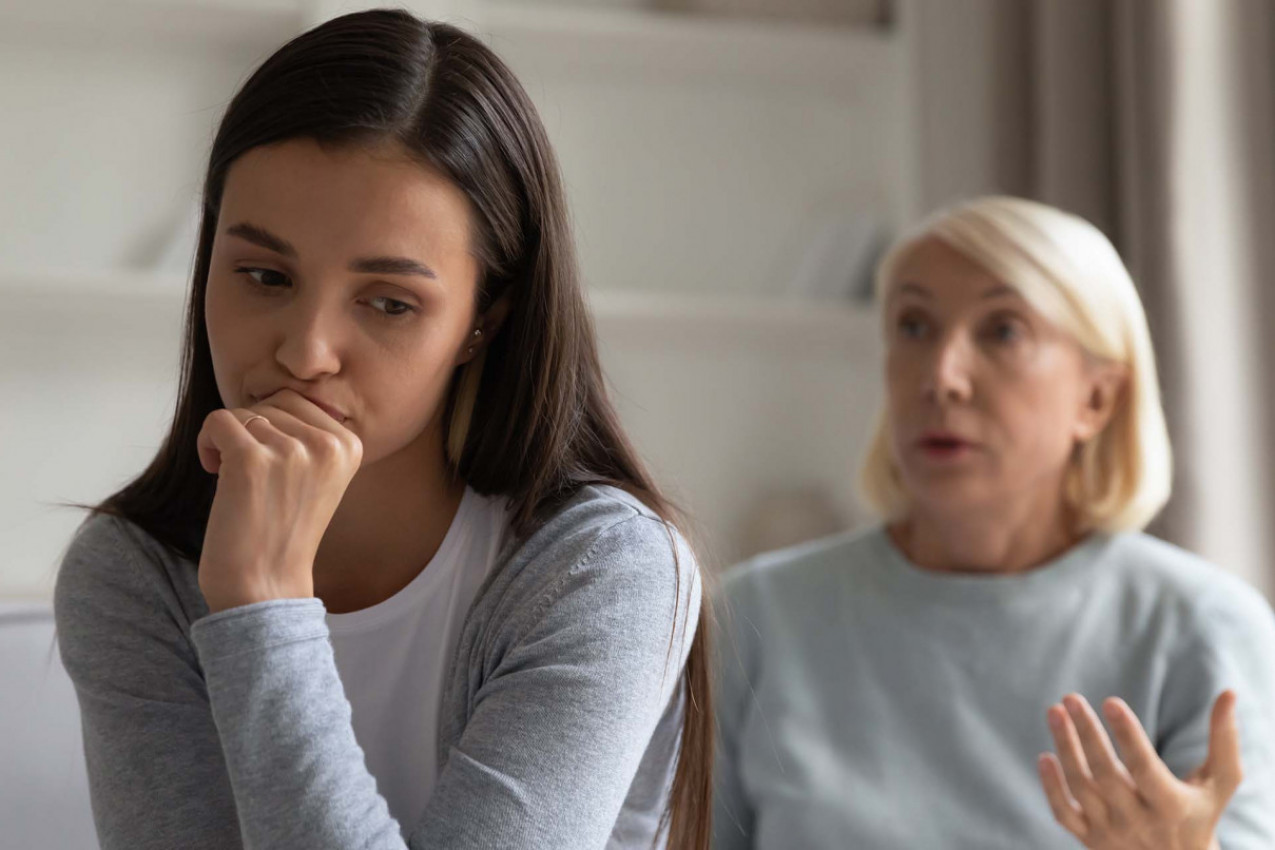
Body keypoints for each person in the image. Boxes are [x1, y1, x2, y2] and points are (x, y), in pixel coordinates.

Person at [51, 10, 712, 849]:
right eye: (262, 275)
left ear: (484, 320)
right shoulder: (134, 573)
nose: (305, 350)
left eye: (389, 303)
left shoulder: (602, 572)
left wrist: (265, 608)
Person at [712, 196, 1275, 849]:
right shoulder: (753, 617)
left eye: (1001, 331)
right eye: (914, 327)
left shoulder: (1200, 628)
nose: (942, 378)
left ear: (1096, 399)